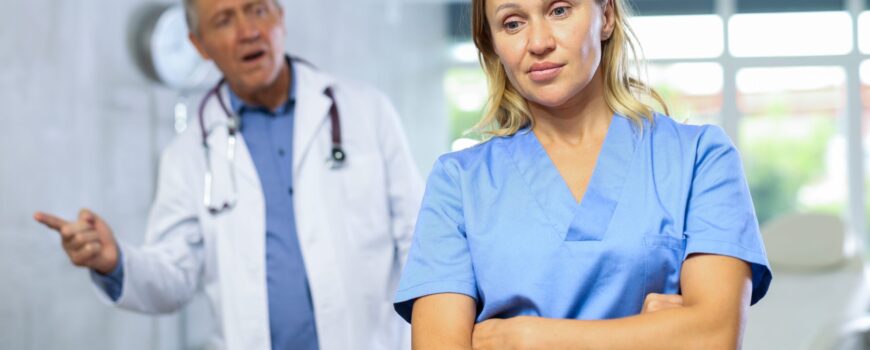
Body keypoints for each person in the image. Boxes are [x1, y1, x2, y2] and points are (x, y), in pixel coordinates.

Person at [33, 0, 423, 349]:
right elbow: (174, 275)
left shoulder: (366, 111)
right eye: (223, 20)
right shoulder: (187, 154)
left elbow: (418, 240)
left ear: (280, 17)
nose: (248, 31)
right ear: (199, 45)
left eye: (257, 10)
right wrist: (114, 261)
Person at [394, 0, 772, 348]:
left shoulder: (700, 158)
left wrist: (530, 337)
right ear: (492, 44)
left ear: (605, 16)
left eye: (559, 10)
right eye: (512, 23)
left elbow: (714, 336)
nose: (538, 42)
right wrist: (652, 336)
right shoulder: (458, 183)